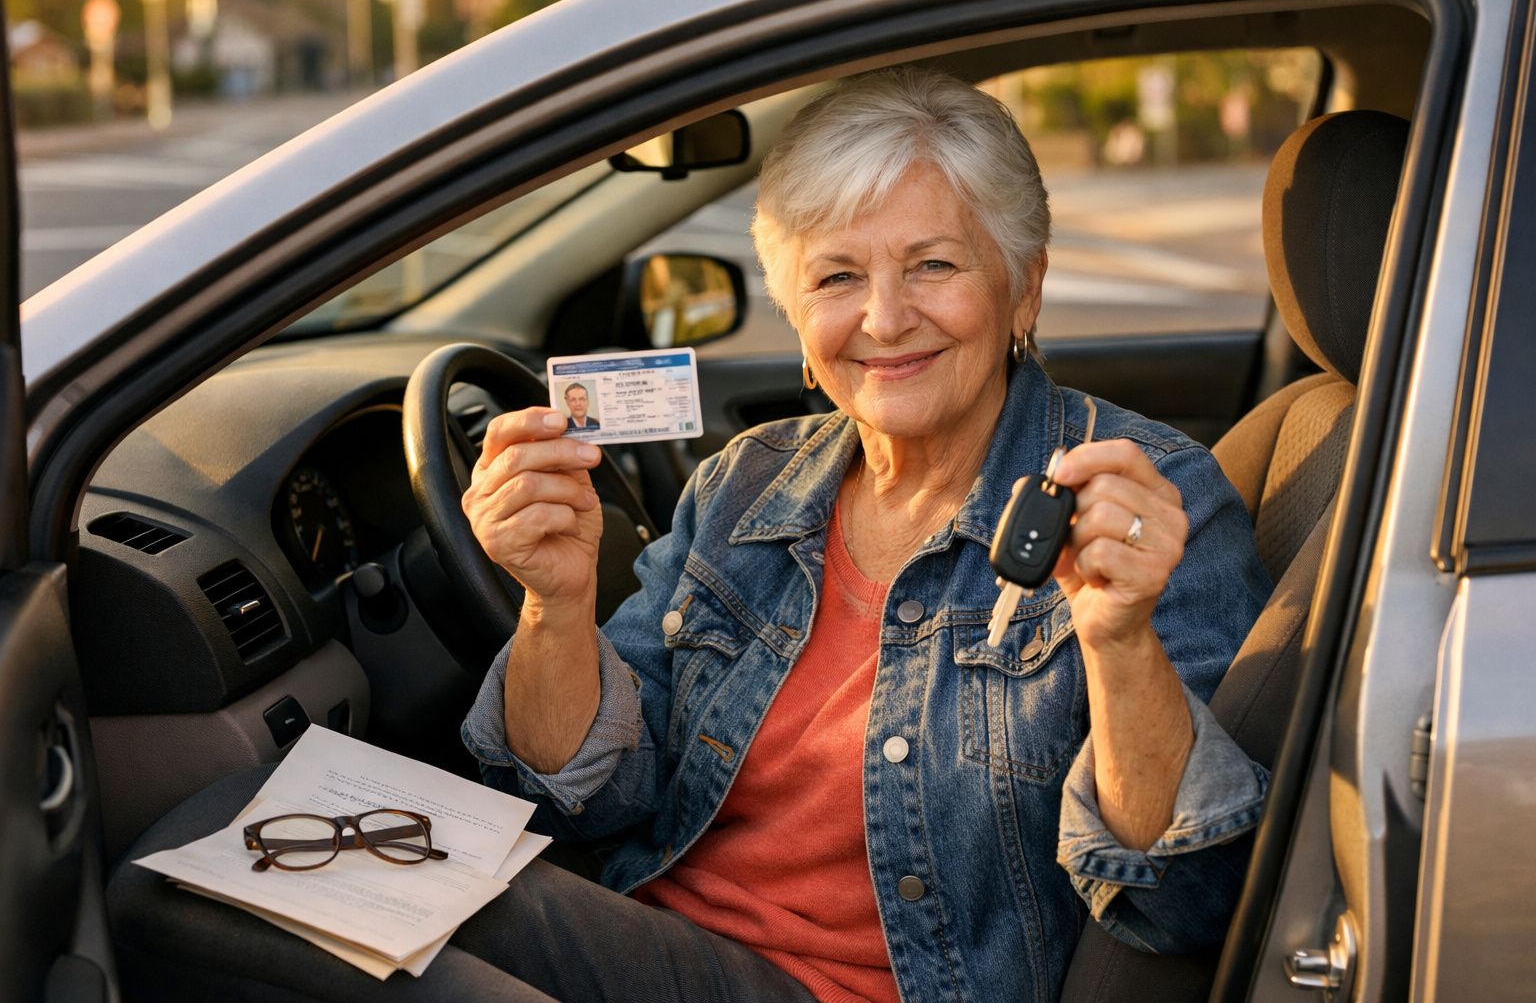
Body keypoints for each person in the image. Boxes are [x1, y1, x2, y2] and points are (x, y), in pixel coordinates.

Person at [458, 67, 1272, 1002]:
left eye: (933, 264)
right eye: (839, 276)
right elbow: (588, 802)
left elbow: (1184, 903)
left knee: (398, 902)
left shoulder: (1143, 497)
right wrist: (554, 604)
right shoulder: (746, 479)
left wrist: (1117, 638)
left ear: (1023, 289)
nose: (885, 319)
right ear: (800, 323)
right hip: (654, 929)